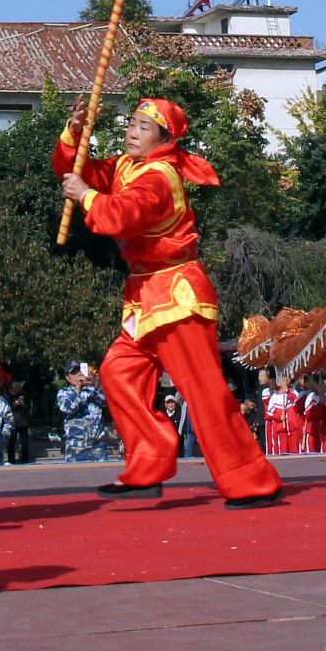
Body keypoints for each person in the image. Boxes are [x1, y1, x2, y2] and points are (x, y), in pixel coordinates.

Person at [58, 97, 283, 507]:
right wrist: (76, 135)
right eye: (131, 123)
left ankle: (251, 480)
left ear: (164, 138)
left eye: (143, 127)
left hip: (176, 294)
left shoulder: (159, 177)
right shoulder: (128, 167)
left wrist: (88, 195)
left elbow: (120, 215)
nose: (131, 131)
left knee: (203, 393)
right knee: (118, 374)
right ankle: (148, 463)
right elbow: (82, 172)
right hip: (144, 296)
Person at [58, 363, 109, 459]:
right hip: (76, 446)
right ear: (68, 378)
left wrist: (95, 383)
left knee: (102, 473)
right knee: (76, 473)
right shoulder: (64, 393)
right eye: (74, 373)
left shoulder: (93, 391)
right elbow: (69, 407)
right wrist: (78, 388)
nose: (78, 375)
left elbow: (106, 402)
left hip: (97, 445)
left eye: (80, 372)